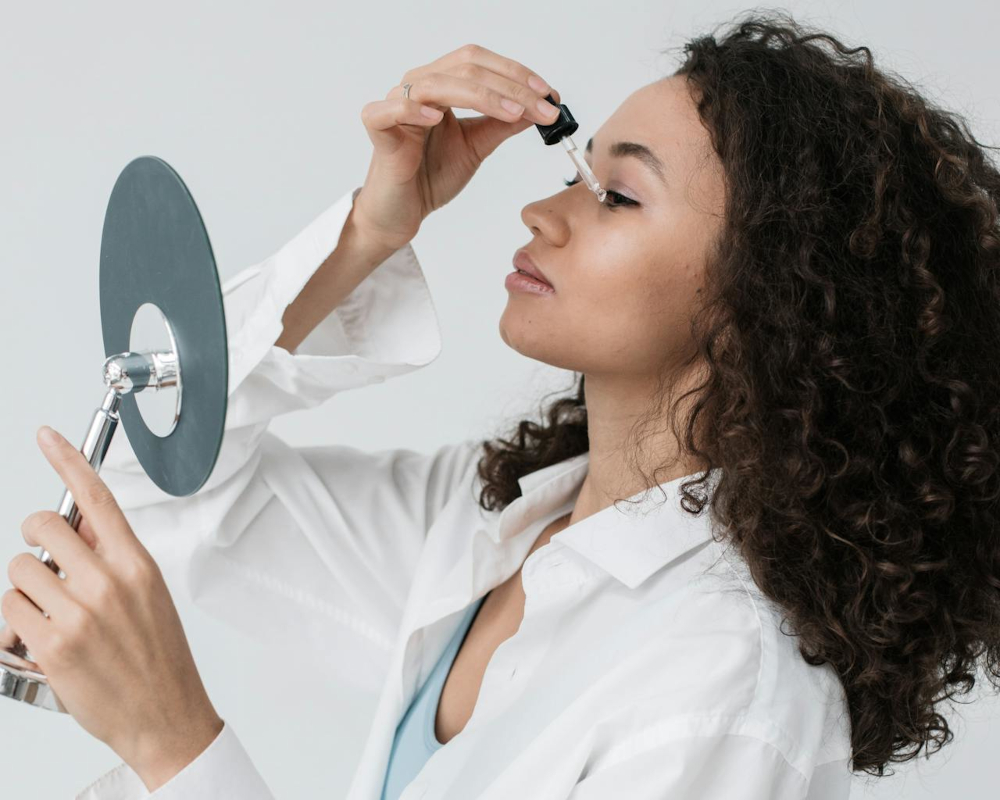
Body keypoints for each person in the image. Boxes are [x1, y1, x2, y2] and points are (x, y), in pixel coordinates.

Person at [7, 10, 999, 800]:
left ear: (769, 300)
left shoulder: (725, 697)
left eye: (618, 195)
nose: (539, 211)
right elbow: (164, 477)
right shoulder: (493, 527)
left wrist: (177, 746)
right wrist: (368, 232)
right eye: (577, 171)